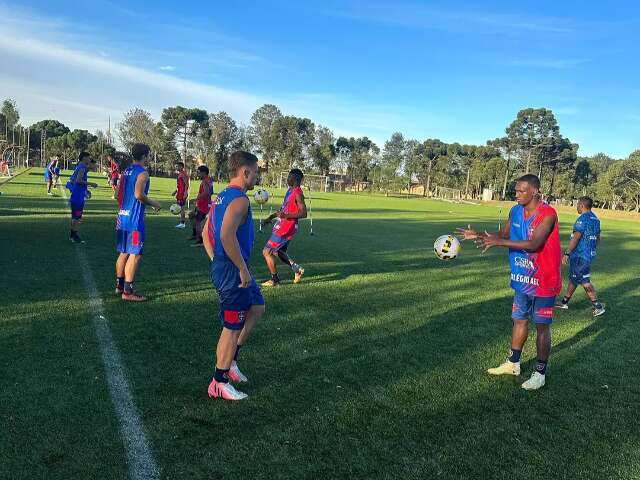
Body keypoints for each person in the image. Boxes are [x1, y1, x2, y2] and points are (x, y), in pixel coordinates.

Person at [457, 174, 561, 391]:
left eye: (522, 191)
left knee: (542, 326)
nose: (517, 194)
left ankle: (540, 373)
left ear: (535, 191)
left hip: (544, 280)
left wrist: (500, 242)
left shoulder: (548, 214)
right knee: (519, 320)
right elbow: (502, 234)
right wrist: (477, 234)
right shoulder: (515, 211)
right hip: (522, 277)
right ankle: (513, 363)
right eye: (516, 190)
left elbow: (534, 244)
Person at [202, 151, 265, 400]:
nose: (257, 177)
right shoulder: (240, 200)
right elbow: (226, 235)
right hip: (233, 272)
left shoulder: (221, 196)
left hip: (230, 267)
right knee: (231, 326)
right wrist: (239, 267)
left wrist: (215, 258)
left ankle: (232, 362)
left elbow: (208, 231)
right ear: (245, 172)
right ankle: (219, 381)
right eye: (256, 172)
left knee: (257, 307)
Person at [115, 143, 161, 301]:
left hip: (122, 218)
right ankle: (127, 292)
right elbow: (138, 195)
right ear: (145, 155)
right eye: (148, 155)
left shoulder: (126, 171)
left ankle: (119, 286)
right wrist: (155, 204)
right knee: (135, 254)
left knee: (124, 252)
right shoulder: (143, 173)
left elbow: (117, 194)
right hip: (134, 221)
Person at [556, 196, 605, 316]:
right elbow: (598, 238)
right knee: (574, 278)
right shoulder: (596, 219)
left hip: (580, 255)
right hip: (588, 254)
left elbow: (576, 238)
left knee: (584, 280)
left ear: (582, 205)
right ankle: (564, 302)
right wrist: (591, 249)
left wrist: (567, 253)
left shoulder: (582, 219)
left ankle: (597, 306)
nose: (577, 206)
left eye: (578, 204)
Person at [261, 168, 307, 286]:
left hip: (287, 226)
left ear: (295, 179)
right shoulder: (289, 191)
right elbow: (283, 209)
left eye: (289, 177)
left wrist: (286, 215)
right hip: (282, 224)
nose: (287, 179)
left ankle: (274, 280)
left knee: (267, 252)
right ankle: (297, 269)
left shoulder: (298, 193)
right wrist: (270, 217)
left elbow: (304, 213)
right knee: (279, 251)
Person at [66, 152, 97, 243]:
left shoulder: (80, 166)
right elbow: (78, 180)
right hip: (78, 196)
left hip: (77, 194)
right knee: (77, 217)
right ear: (84, 158)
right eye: (88, 158)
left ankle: (72, 235)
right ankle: (74, 236)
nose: (89, 159)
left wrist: (86, 190)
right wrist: (92, 184)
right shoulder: (82, 167)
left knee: (75, 216)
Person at [189, 165, 214, 247]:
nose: (198, 174)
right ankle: (195, 234)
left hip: (203, 205)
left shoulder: (205, 181)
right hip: (204, 204)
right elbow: (211, 192)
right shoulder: (209, 180)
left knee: (198, 222)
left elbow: (206, 192)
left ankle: (200, 241)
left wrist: (196, 199)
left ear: (204, 173)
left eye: (199, 173)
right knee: (191, 215)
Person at [172, 162, 189, 228]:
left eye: (177, 166)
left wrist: (185, 193)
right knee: (179, 207)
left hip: (182, 194)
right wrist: (175, 191)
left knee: (182, 208)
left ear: (181, 167)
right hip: (179, 193)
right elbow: (180, 185)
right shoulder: (180, 174)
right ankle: (181, 222)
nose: (176, 168)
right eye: (176, 166)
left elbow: (186, 185)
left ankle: (182, 223)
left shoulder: (183, 174)